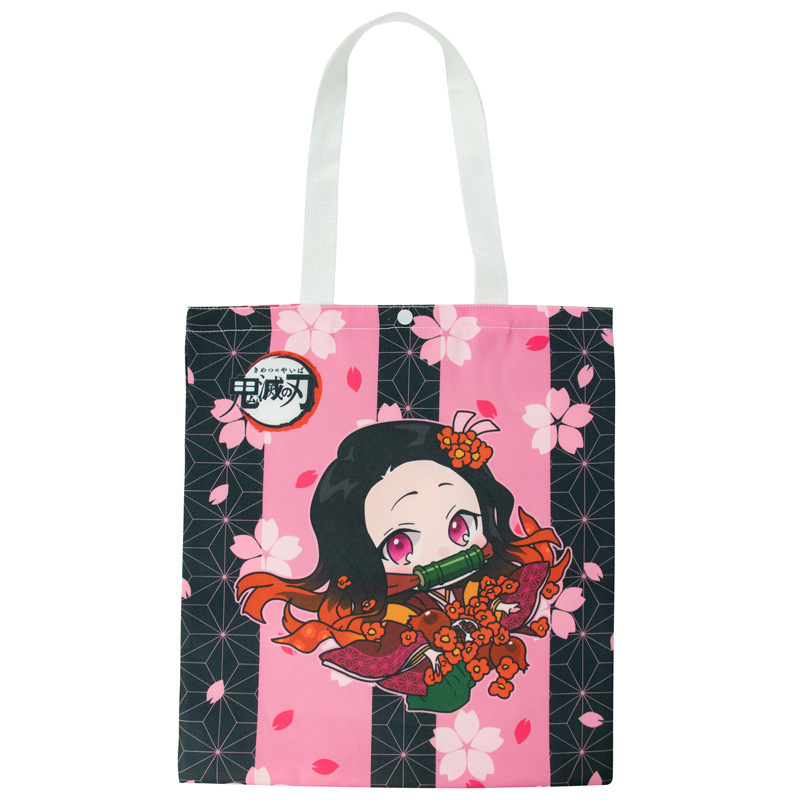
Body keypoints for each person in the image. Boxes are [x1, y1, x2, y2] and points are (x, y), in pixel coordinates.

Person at [236, 412, 570, 712]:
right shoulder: (388, 624)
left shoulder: (498, 588)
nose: (443, 553)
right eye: (399, 545)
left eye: (460, 525)